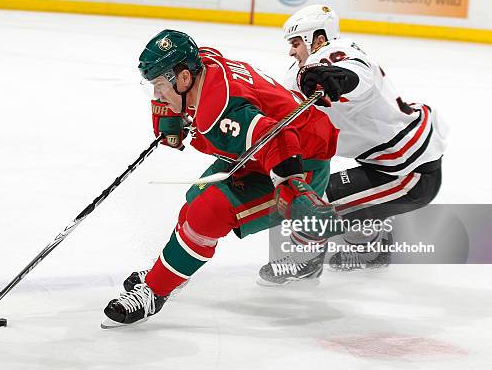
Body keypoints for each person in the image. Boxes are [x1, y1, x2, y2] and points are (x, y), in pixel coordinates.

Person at [102, 29, 341, 326]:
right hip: (265, 152)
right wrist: (170, 118)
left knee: (210, 210)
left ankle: (154, 291)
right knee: (197, 196)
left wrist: (295, 190)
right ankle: (170, 271)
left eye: (160, 85)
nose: (157, 94)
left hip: (299, 162)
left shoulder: (222, 109)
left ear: (185, 78)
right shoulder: (203, 63)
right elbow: (200, 56)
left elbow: (275, 138)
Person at [257, 4, 448, 285]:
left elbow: (357, 75)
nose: (291, 51)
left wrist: (340, 79)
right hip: (391, 163)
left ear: (317, 39)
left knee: (314, 201)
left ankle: (305, 263)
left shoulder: (338, 53)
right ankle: (371, 247)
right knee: (331, 189)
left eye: (296, 43)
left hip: (409, 173)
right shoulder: (301, 73)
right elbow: (281, 105)